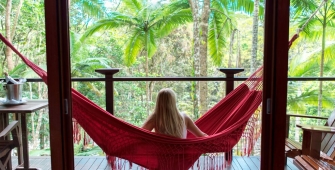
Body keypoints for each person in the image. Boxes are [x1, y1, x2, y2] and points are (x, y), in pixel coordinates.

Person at [142, 88, 207, 138]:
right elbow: (202, 136)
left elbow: (139, 135)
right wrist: (215, 139)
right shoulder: (184, 118)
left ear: (158, 102)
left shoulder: (155, 118)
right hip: (182, 155)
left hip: (161, 155)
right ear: (173, 102)